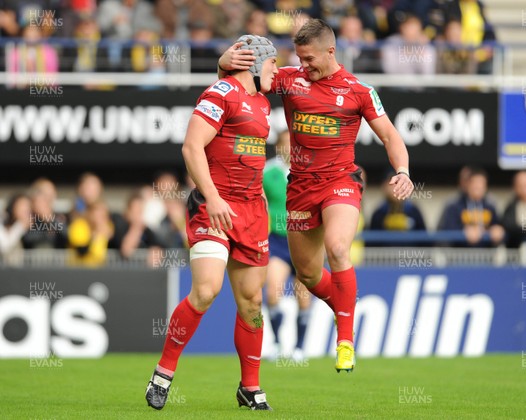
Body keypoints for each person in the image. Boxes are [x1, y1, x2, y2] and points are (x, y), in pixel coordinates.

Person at [218, 18, 414, 372]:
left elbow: (390, 136)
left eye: (309, 59)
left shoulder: (359, 90)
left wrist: (403, 170)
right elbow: (241, 86)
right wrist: (224, 64)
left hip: (341, 181)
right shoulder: (289, 80)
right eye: (298, 57)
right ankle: (344, 308)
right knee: (307, 274)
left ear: (331, 51)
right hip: (301, 187)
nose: (303, 65)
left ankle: (345, 339)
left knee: (338, 248)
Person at [145, 35, 278, 411]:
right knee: (206, 290)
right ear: (253, 64)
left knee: (252, 303)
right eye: (271, 63)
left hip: (251, 212)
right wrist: (215, 196)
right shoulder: (221, 93)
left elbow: (248, 155)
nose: (276, 70)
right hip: (213, 205)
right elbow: (191, 147)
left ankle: (249, 388)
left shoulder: (263, 103)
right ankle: (163, 373)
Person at [263, 130, 311, 362]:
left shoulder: (308, 170)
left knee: (303, 295)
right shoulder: (267, 171)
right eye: (284, 144)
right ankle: (276, 342)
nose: (288, 149)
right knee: (273, 291)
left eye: (292, 145)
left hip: (303, 239)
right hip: (278, 240)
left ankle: (300, 347)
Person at [438, 167, 504, 246]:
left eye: (481, 184)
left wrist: (496, 230)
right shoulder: (454, 206)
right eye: (475, 183)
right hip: (460, 254)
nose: (478, 187)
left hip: (485, 254)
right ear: (467, 185)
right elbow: (446, 232)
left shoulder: (490, 206)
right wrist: (463, 232)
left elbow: (498, 227)